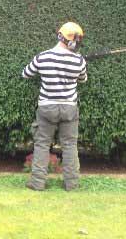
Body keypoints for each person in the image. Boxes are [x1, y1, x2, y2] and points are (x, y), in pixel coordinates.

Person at [22, 21, 87, 191]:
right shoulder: (79, 60)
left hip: (47, 108)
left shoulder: (43, 57)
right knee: (70, 145)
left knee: (42, 144)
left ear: (60, 36)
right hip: (69, 109)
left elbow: (26, 73)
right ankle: (71, 184)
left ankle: (37, 183)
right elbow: (83, 79)